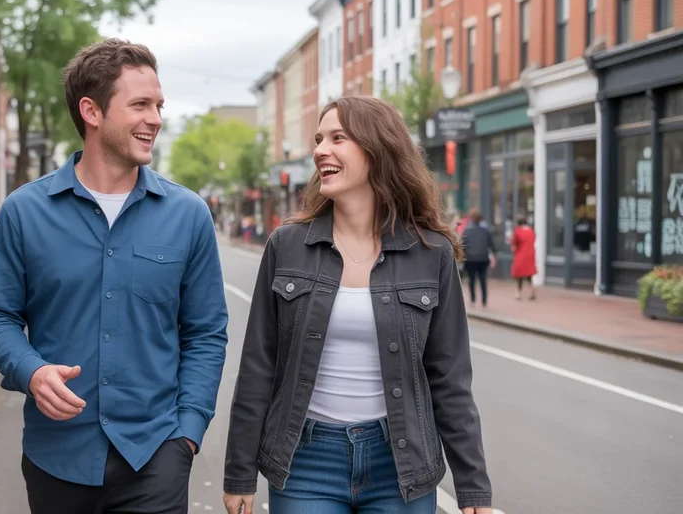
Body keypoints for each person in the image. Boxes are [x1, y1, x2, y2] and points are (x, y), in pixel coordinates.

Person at [0, 38, 229, 514]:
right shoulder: (24, 212)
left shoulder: (189, 215)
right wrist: (31, 372)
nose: (155, 118)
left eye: (158, 105)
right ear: (91, 111)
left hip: (156, 456)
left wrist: (187, 435)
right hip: (57, 458)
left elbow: (206, 334)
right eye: (140, 105)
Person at [222, 96, 492, 514]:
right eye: (318, 139)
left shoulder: (430, 252)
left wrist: (473, 487)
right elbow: (259, 364)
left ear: (376, 149)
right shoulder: (288, 245)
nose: (319, 150)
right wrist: (239, 471)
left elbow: (450, 378)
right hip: (305, 461)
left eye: (338, 138)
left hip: (401, 463)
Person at [461, 209, 496, 308]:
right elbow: (491, 245)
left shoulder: (467, 230)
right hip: (483, 258)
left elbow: (462, 244)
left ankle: (473, 300)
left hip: (471, 259)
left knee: (472, 279)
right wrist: (493, 254)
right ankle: (484, 300)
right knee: (483, 279)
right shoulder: (485, 231)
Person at [509, 215, 537, 300]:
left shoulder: (518, 231)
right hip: (531, 254)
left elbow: (514, 243)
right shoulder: (531, 231)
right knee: (529, 274)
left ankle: (518, 293)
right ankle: (532, 291)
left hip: (521, 254)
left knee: (519, 275)